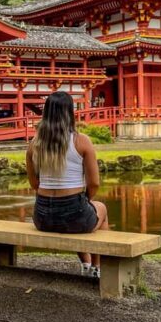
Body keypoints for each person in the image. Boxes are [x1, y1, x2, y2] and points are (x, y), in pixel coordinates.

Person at [26, 92, 108, 278]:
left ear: (46, 113)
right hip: (75, 215)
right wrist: (85, 199)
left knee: (82, 212)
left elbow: (34, 183)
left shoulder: (34, 144)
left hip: (42, 218)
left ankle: (85, 264)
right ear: (70, 113)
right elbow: (94, 183)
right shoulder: (81, 141)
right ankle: (97, 266)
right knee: (100, 208)